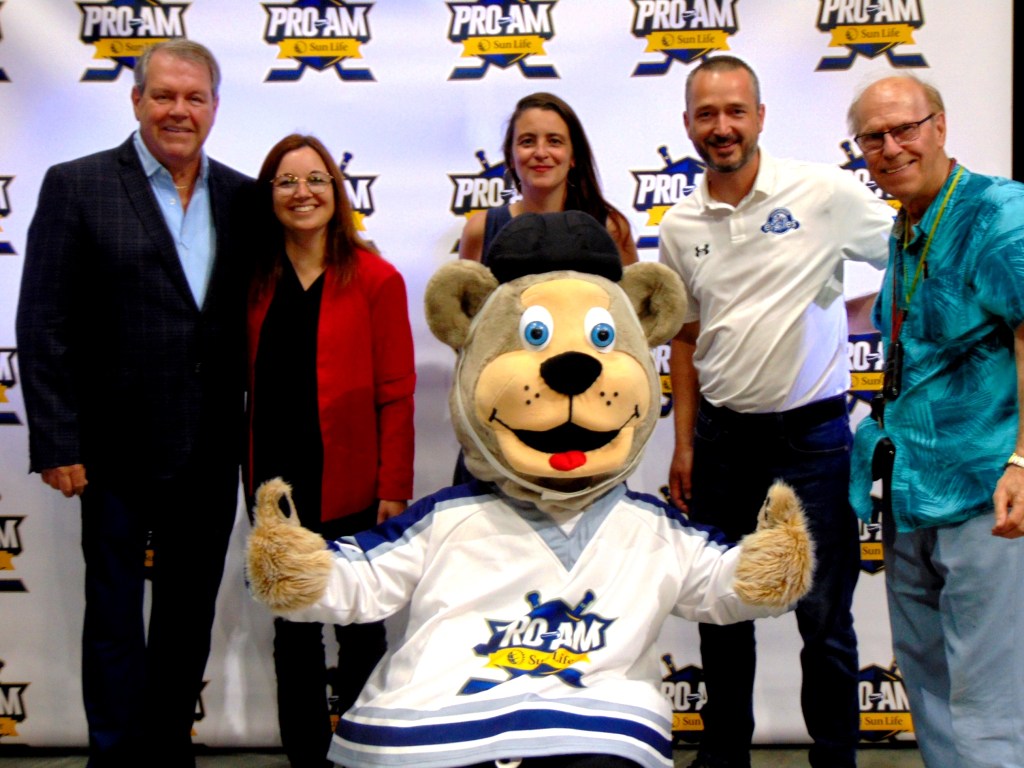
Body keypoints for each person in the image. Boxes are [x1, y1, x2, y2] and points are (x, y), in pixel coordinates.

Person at [15, 39, 253, 767]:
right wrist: (58, 442)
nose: (179, 111)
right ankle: (115, 757)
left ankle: (169, 751)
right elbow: (43, 321)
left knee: (187, 616)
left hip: (210, 446)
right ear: (137, 101)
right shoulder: (77, 185)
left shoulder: (243, 197)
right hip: (112, 449)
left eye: (194, 98)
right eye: (165, 95)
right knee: (115, 616)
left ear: (214, 107)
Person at [658, 55, 893, 768]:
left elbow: (909, 252)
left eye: (735, 111)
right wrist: (684, 446)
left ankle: (836, 759)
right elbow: (685, 338)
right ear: (688, 125)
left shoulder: (823, 193)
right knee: (724, 611)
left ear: (760, 116)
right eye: (707, 114)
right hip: (721, 442)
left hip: (813, 441)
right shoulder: (680, 225)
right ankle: (724, 755)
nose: (722, 127)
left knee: (823, 620)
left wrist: (864, 312)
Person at [847, 75, 1024, 768]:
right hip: (911, 495)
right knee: (931, 694)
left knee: (988, 702)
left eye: (905, 129)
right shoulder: (905, 223)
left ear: (940, 126)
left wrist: (1022, 462)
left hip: (984, 494)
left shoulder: (998, 213)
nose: (891, 148)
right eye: (874, 137)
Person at [246, 134, 416, 768]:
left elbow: (397, 394)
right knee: (293, 633)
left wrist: (393, 486)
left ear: (336, 192)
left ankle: (365, 754)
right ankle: (306, 759)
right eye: (287, 181)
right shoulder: (251, 278)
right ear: (269, 195)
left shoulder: (377, 278)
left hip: (354, 481)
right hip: (277, 488)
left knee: (361, 628)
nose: (303, 193)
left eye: (316, 179)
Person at [458, 91, 638, 266]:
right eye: (527, 141)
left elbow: (632, 287)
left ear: (573, 156)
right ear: (511, 156)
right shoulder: (481, 230)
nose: (541, 153)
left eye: (554, 141)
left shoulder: (612, 228)